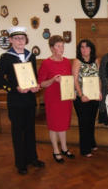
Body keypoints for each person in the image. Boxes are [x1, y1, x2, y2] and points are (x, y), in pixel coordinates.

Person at [0, 26, 45, 175]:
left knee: (30, 130)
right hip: (15, 100)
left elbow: (33, 76)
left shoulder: (31, 56)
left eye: (22, 38)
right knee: (18, 131)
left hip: (29, 99)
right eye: (16, 38)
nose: (20, 41)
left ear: (25, 39)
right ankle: (20, 163)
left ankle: (33, 158)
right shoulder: (5, 58)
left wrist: (35, 86)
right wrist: (14, 88)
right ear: (10, 40)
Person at [38, 35, 74, 163]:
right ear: (52, 48)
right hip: (53, 99)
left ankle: (64, 148)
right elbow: (41, 84)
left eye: (63, 45)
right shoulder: (46, 63)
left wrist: (72, 92)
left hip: (65, 99)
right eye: (58, 46)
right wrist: (53, 80)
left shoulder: (66, 61)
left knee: (63, 125)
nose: (62, 48)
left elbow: (69, 80)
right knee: (54, 125)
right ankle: (55, 150)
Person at [72, 39, 101, 157]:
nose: (84, 49)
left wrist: (99, 92)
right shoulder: (77, 61)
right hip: (81, 98)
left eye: (87, 47)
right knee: (84, 122)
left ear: (91, 48)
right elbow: (74, 80)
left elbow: (99, 78)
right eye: (82, 47)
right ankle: (85, 149)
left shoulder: (97, 61)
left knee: (91, 121)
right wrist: (81, 94)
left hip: (94, 96)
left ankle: (91, 142)